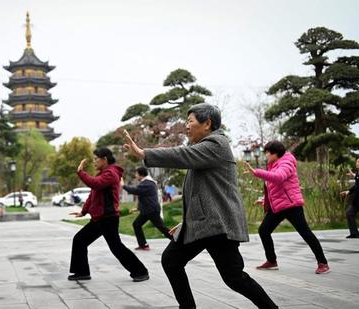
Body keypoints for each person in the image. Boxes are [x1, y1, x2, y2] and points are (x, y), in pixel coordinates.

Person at [123, 103, 277, 309]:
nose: (186, 126)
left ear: (207, 124)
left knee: (233, 277)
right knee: (171, 261)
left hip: (218, 224)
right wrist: (186, 222)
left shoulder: (216, 144)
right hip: (204, 224)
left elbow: (182, 155)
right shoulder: (204, 150)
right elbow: (200, 194)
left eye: (190, 121)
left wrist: (144, 154)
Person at [244, 140, 329, 275]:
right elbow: (274, 187)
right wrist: (265, 200)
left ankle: (323, 263)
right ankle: (271, 261)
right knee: (263, 230)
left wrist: (256, 172)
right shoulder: (273, 164)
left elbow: (278, 178)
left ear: (275, 153)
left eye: (267, 153)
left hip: (291, 205)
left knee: (305, 233)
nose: (265, 155)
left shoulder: (287, 163)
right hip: (278, 206)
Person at [68, 147, 149, 282]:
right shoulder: (103, 173)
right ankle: (82, 272)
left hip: (108, 218)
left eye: (96, 159)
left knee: (116, 247)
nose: (94, 162)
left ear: (104, 159)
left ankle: (141, 271)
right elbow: (93, 194)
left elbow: (95, 184)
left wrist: (81, 172)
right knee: (79, 240)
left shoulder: (111, 173)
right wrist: (83, 211)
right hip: (100, 218)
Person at [122, 166, 172, 250]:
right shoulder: (146, 183)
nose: (135, 175)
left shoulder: (147, 183)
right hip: (147, 210)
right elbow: (144, 197)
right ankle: (143, 245)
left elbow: (135, 191)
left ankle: (177, 241)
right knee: (137, 224)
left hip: (151, 210)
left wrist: (123, 186)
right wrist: (137, 208)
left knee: (161, 227)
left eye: (136, 173)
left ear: (141, 174)